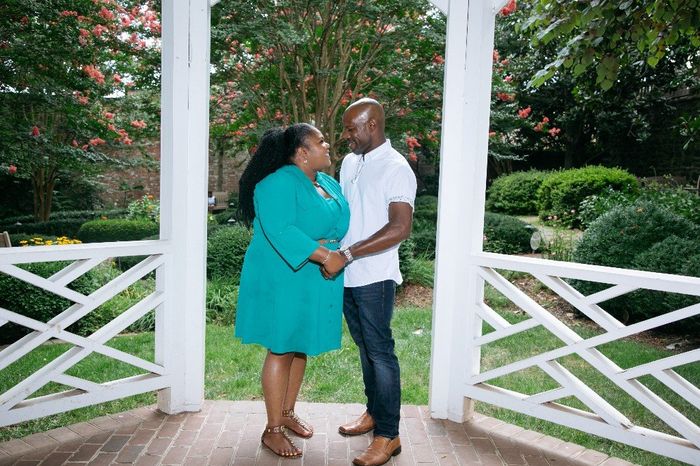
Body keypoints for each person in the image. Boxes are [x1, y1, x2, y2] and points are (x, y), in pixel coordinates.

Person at [235, 123, 350, 458]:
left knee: (299, 345)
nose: (327, 145)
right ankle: (272, 430)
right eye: (320, 141)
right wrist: (325, 255)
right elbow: (282, 230)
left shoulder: (326, 182)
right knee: (282, 346)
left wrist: (330, 252)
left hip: (313, 272)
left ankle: (286, 413)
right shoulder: (277, 183)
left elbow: (333, 224)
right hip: (283, 274)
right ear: (302, 153)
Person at [325, 98, 416, 466]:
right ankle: (374, 413)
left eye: (352, 129)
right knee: (365, 349)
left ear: (372, 125)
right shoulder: (350, 162)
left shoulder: (397, 168)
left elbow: (400, 227)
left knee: (380, 352)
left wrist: (349, 253)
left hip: (375, 277)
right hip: (346, 275)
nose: (347, 135)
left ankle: (389, 435)